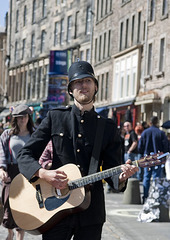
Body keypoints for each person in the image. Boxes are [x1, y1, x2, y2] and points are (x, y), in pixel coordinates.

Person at [17, 61, 138, 240]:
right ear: (70, 89)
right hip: (55, 210)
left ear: (95, 86)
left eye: (88, 81)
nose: (83, 85)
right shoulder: (55, 117)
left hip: (91, 213)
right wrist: (43, 174)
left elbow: (112, 169)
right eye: (78, 82)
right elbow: (24, 155)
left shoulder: (108, 127)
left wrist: (120, 178)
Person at [0, 104, 34, 240]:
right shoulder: (7, 135)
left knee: (24, 206)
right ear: (15, 119)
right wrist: (1, 168)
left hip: (28, 173)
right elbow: (1, 153)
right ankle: (10, 234)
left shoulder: (35, 134)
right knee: (8, 205)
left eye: (25, 117)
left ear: (28, 117)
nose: (22, 120)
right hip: (11, 171)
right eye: (19, 117)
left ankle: (20, 237)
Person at [138, 116, 169, 203]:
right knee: (156, 177)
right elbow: (165, 146)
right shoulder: (161, 133)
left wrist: (142, 153)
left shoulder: (145, 132)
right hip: (158, 157)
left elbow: (140, 146)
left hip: (147, 157)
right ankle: (156, 196)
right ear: (157, 122)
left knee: (146, 177)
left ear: (150, 122)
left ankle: (145, 196)